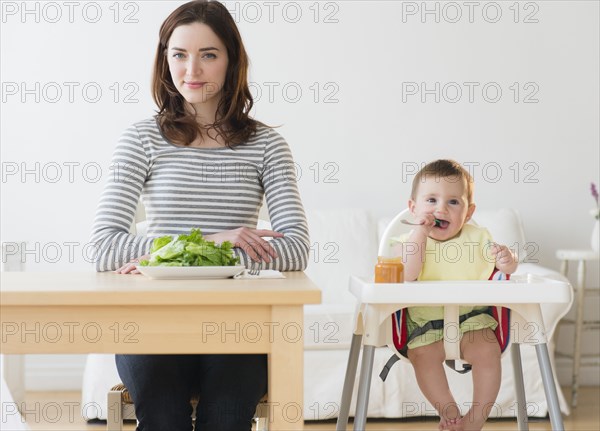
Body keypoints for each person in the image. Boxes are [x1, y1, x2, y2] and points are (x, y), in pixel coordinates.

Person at [90, 1, 309, 430]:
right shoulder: (141, 139)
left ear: (231, 60)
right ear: (164, 60)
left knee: (226, 417)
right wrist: (215, 242)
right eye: (179, 54)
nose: (192, 69)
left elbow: (296, 248)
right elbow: (104, 248)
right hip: (152, 323)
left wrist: (165, 258)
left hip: (237, 327)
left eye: (208, 54)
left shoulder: (266, 145)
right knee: (165, 416)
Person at [394, 159, 518, 431]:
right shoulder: (409, 242)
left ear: (469, 212)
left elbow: (504, 267)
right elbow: (408, 274)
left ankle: (475, 420)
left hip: (473, 321)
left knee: (489, 354)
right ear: (413, 208)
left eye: (453, 202)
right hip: (426, 327)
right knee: (422, 358)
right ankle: (448, 410)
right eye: (431, 200)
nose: (441, 209)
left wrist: (508, 260)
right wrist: (419, 231)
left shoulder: (479, 238)